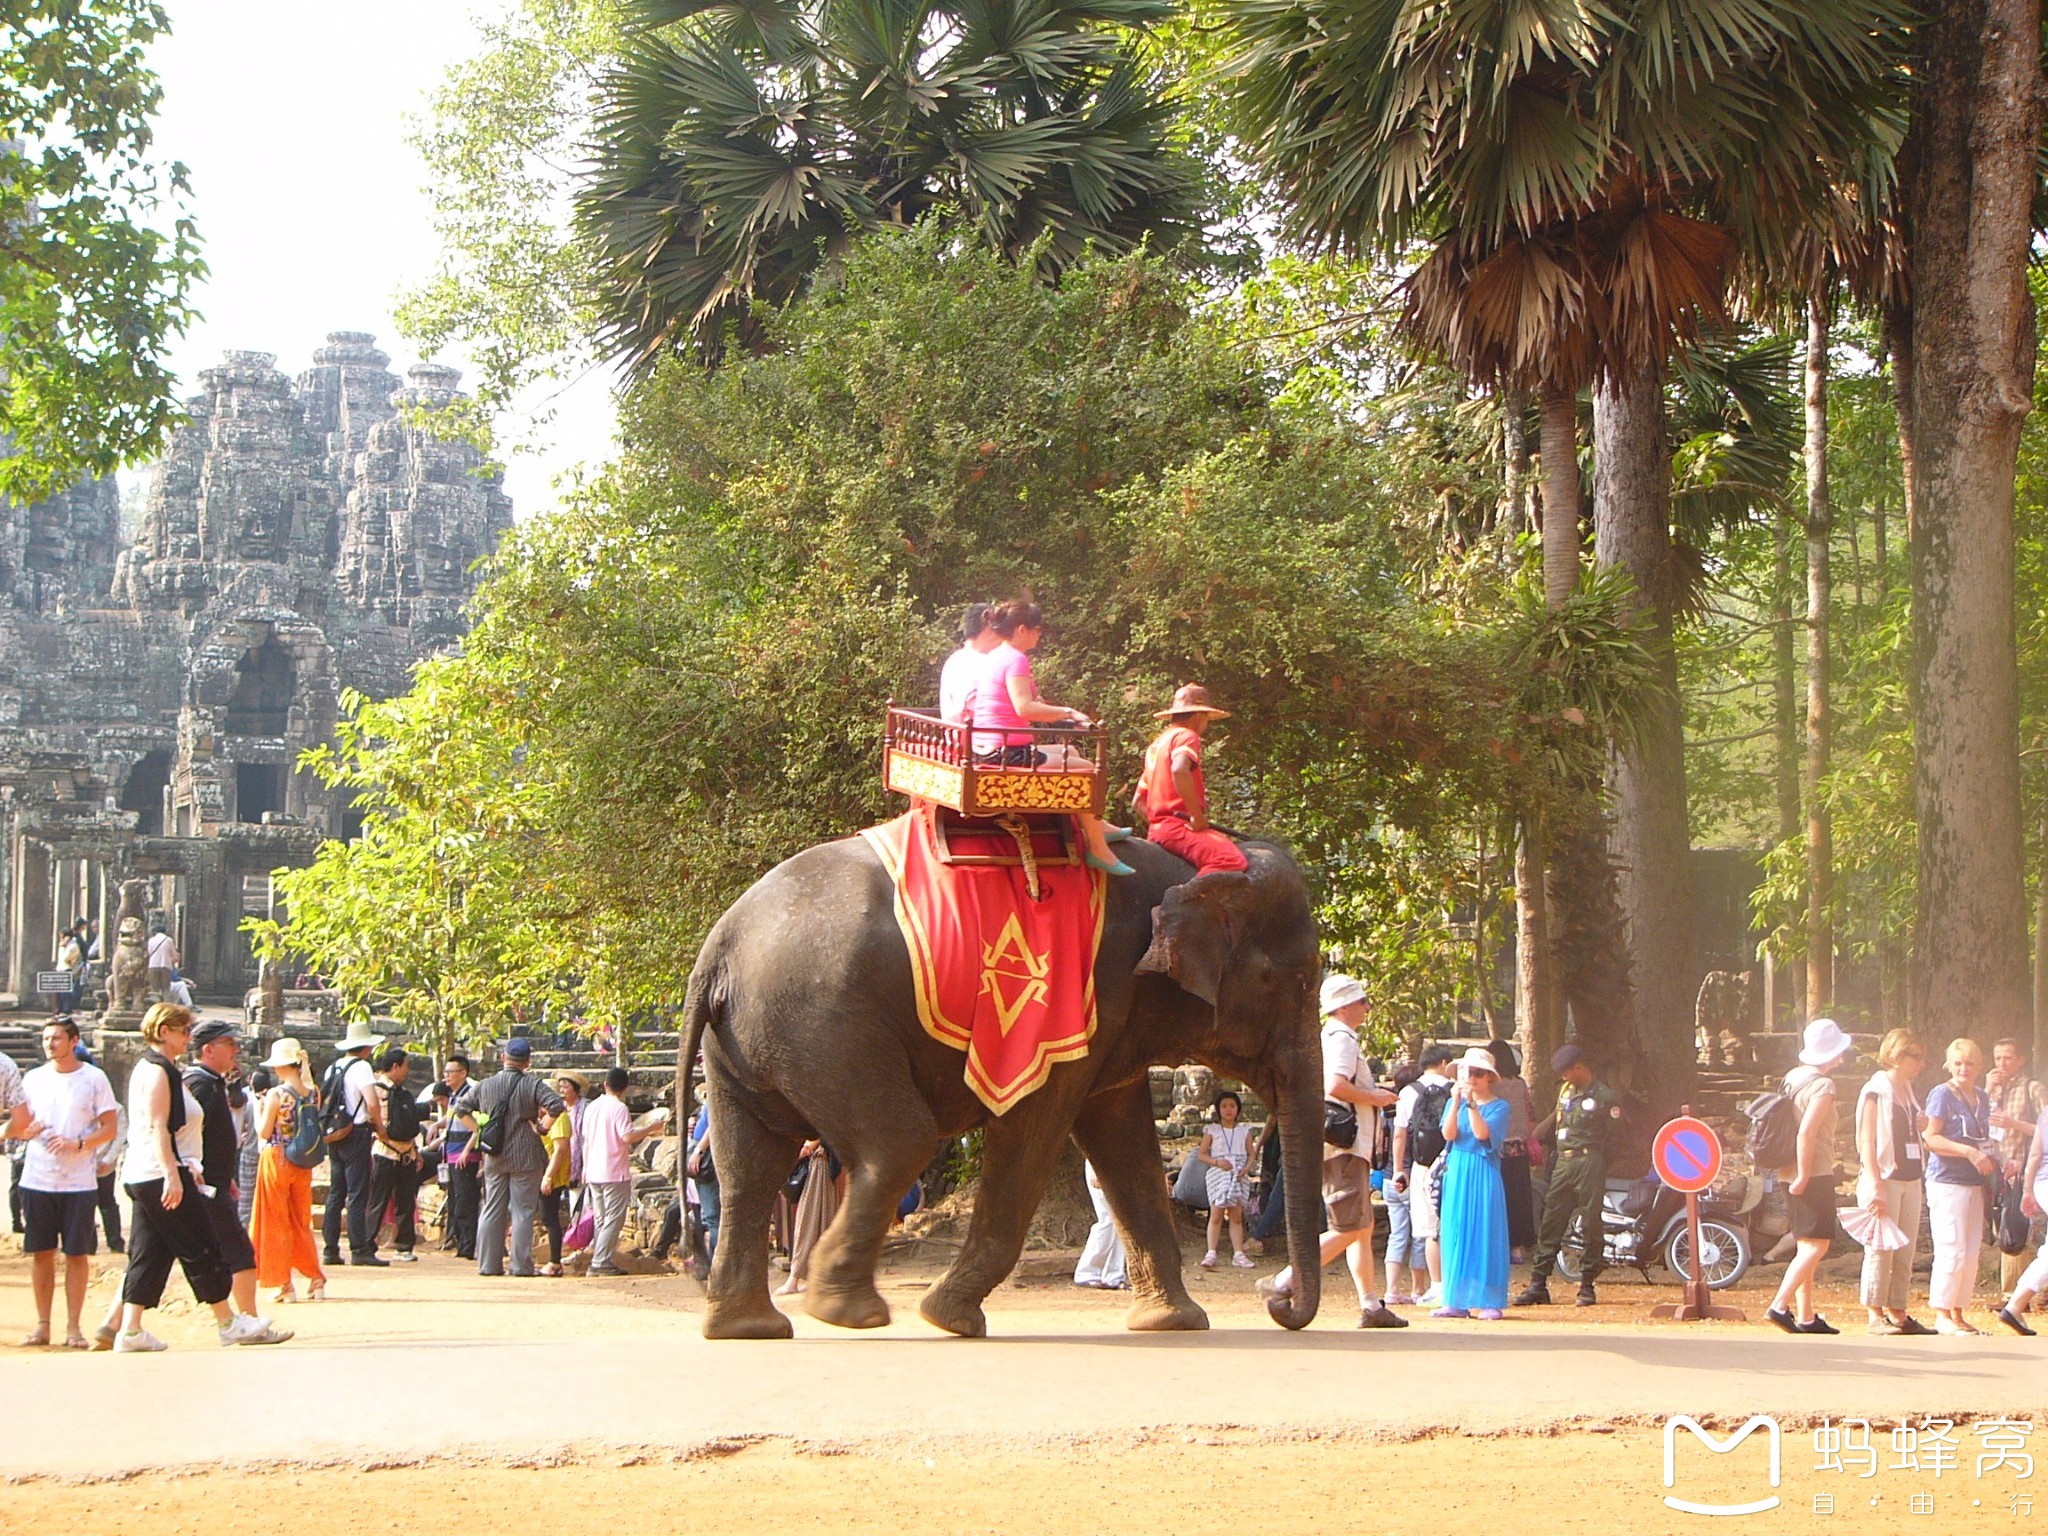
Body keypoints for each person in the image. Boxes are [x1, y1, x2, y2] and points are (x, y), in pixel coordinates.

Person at [108, 1003, 282, 1351]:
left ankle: (129, 1329)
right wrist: (174, 1175)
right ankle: (227, 1321)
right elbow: (160, 1127)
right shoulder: (160, 1072)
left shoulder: (159, 1068)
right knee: (202, 1246)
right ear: (164, 1032)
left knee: (150, 1252)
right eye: (183, 1031)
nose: (188, 1038)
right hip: (161, 1172)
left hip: (147, 1172)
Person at [1258, 974, 1406, 1328]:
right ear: (1343, 1006)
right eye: (1361, 1001)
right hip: (1347, 1145)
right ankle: (1283, 1281)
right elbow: (1335, 1085)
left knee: (1361, 1226)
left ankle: (1371, 1305)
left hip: (1341, 1144)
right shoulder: (1341, 1038)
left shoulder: (1329, 1037)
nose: (1366, 1006)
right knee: (1349, 1228)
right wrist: (1375, 1097)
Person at [968, 600, 1131, 875]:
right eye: (1037, 629)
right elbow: (1024, 708)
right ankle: (1098, 849)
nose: (1039, 635)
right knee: (1089, 771)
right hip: (1008, 752)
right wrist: (1067, 711)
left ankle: (1097, 826)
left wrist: (1059, 714)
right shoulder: (1016, 658)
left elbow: (1019, 703)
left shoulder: (996, 655)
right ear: (1022, 629)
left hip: (991, 746)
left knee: (1074, 755)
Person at [184, 1020, 292, 1344]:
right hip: (204, 1184)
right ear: (208, 1049)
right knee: (239, 1252)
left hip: (214, 1180)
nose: (236, 1051)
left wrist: (225, 1174)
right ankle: (249, 1322)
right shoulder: (200, 1085)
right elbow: (189, 1135)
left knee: (155, 1254)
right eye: (230, 1044)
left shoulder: (210, 1082)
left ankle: (118, 1320)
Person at [17, 1016, 119, 1348]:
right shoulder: (32, 1079)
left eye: (57, 1038)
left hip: (78, 1181)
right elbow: (21, 1123)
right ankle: (42, 1325)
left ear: (74, 1040)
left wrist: (79, 1144)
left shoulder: (93, 1079)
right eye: (46, 1038)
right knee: (41, 1253)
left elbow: (110, 1127)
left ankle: (74, 1327)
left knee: (76, 1254)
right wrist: (25, 1131)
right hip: (37, 1177)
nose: (50, 1044)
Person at [1762, 1017, 1855, 1335]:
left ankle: (1806, 1314)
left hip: (1787, 1169)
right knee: (1818, 1245)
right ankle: (1779, 1304)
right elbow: (1807, 1133)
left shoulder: (1793, 1077)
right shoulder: (1823, 1085)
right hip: (1812, 1171)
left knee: (1806, 1245)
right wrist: (1804, 1174)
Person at [1514, 1043, 1622, 1308]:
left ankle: (1587, 1284)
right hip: (1563, 1161)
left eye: (1566, 1072)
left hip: (1589, 1160)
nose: (1564, 1077)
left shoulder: (1605, 1096)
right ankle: (1538, 1283)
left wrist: (1598, 1161)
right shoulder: (1565, 1092)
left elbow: (1616, 1138)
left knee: (1590, 1222)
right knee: (1551, 1220)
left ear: (1579, 1067)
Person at [1855, 1028, 1931, 1336]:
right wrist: (1875, 1183)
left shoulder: (1909, 1091)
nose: (1920, 1064)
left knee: (1905, 1248)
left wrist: (1922, 1125)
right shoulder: (1875, 1090)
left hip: (1911, 1178)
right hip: (1886, 1178)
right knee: (1880, 1248)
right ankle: (1874, 1312)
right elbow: (1867, 1140)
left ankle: (1898, 1309)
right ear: (1898, 1057)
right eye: (1916, 1057)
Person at [1922, 1035, 1998, 1335]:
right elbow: (1932, 1137)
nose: (1963, 1068)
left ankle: (1958, 1311)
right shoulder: (1941, 1094)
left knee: (1969, 1251)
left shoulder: (1982, 1096)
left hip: (1974, 1181)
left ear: (1979, 1065)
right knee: (1950, 1247)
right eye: (1957, 1063)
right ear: (1948, 1065)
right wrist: (1968, 1151)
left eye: (1969, 1063)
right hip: (1947, 1180)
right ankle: (1941, 1312)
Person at [1135, 685, 1249, 877]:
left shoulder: (1157, 745)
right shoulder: (1186, 736)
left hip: (1157, 830)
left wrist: (1159, 826)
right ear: (1198, 716)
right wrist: (1196, 816)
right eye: (1206, 718)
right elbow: (1179, 770)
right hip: (1178, 827)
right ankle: (1179, 904)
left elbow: (1138, 801)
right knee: (1230, 859)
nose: (1206, 724)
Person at [475, 1037, 565, 1278]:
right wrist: (542, 1128)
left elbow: (463, 1108)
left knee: (492, 1208)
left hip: (494, 1154)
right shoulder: (532, 1085)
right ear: (527, 1062)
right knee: (522, 1211)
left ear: (503, 1058)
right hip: (525, 1155)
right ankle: (520, 1266)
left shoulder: (486, 1085)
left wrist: (479, 1129)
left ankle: (488, 1264)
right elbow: (556, 1105)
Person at [1435, 1047, 1512, 1319]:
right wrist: (1455, 1103)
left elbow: (1483, 1135)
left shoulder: (1500, 1106)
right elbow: (1448, 1133)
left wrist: (1471, 1105)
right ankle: (1455, 1298)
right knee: (1456, 1230)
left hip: (1483, 1170)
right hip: (1458, 1168)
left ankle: (1490, 1299)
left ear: (1489, 1077)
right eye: (1469, 1073)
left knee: (1484, 1230)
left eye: (1479, 1073)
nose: (1473, 1078)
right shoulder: (1451, 1102)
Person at [250, 1038, 326, 1304]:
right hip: (302, 1163)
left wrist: (259, 1109)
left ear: (282, 1065)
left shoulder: (276, 1094)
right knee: (299, 1220)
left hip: (277, 1157)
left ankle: (283, 1283)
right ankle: (315, 1278)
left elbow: (263, 1131)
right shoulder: (312, 1092)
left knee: (275, 1221)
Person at [321, 1019, 387, 1268]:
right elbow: (372, 1102)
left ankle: (330, 1248)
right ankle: (359, 1248)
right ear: (366, 1048)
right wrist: (379, 1125)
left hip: (336, 1131)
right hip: (356, 1131)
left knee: (336, 1192)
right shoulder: (362, 1068)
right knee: (358, 1193)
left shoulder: (333, 1067)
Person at [1395, 1044, 1459, 1307]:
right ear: (1444, 1062)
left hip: (1423, 1166)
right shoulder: (1456, 1088)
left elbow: (1400, 1133)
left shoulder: (1409, 1092)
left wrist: (1400, 1168)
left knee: (1430, 1229)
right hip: (1454, 1161)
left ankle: (1437, 1286)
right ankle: (1457, 1282)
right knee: (1454, 1224)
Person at [581, 1066, 658, 1276]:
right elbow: (627, 1137)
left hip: (594, 1169)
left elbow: (586, 1140)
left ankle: (601, 1257)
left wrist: (585, 1167)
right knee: (613, 1219)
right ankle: (600, 1261)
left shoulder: (592, 1107)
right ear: (625, 1088)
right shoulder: (619, 1108)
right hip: (613, 1171)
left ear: (606, 1085)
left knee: (601, 1218)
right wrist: (651, 1128)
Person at [1987, 1037, 2048, 1303]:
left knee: (2024, 1229)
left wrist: (2015, 1124)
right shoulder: (1993, 1090)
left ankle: (2025, 1294)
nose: (2002, 1064)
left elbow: (2043, 1131)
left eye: (2008, 1058)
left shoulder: (2033, 1089)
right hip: (1998, 1170)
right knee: (2004, 1228)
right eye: (1998, 1058)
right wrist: (1988, 1090)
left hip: (2026, 1170)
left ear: (2020, 1060)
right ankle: (2010, 1292)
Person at [1996, 1097, 2048, 1335]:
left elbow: (2035, 1154)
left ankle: (2014, 1306)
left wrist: (2028, 1190)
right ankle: (2015, 1305)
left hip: (2042, 1182)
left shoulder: (2045, 1113)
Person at [367, 1048, 424, 1263]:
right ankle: (367, 1243)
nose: (408, 1071)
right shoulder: (376, 1091)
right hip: (385, 1153)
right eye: (406, 1066)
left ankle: (404, 1245)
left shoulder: (403, 1093)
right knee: (378, 1200)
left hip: (406, 1153)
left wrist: (415, 1151)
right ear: (395, 1067)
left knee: (405, 1201)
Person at [1379, 1062, 1425, 1304]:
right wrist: (1402, 1171)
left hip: (1388, 1178)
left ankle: (1392, 1289)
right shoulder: (1414, 1113)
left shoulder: (1387, 1113)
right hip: (1407, 1177)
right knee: (1419, 1234)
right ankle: (1418, 1289)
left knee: (1396, 1234)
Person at [1486, 1038, 1537, 1258]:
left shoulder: (1491, 1086)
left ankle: (1499, 1245)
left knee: (1498, 1198)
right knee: (1519, 1198)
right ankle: (1519, 1245)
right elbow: (1530, 1113)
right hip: (1519, 1149)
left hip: (1497, 1150)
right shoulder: (1520, 1084)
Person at [1197, 1090, 1256, 1269]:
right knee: (1216, 1214)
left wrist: (1246, 1168)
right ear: (1218, 1110)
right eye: (1224, 1106)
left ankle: (1238, 1253)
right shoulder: (1212, 1131)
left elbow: (1251, 1153)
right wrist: (1217, 1162)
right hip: (1219, 1173)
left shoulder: (1244, 1131)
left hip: (1238, 1173)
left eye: (1232, 1106)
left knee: (1236, 1215)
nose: (1228, 1110)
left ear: (1237, 1109)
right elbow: (1201, 1154)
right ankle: (1211, 1252)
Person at [779, 1140, 843, 1295]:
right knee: (822, 1221)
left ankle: (794, 1279)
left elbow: (812, 1141)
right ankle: (818, 1277)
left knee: (807, 1223)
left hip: (819, 1167)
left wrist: (798, 1153)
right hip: (824, 1168)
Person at [539, 1071, 584, 1277]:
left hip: (553, 1175)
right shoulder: (548, 1117)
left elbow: (560, 1149)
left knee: (550, 1219)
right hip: (546, 1172)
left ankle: (555, 1261)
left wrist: (548, 1176)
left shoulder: (560, 1117)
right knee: (546, 1217)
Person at [439, 1055, 482, 1259]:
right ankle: (460, 1242)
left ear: (463, 1073)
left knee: (466, 1201)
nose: (446, 1076)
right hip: (451, 1152)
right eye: (446, 1072)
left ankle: (468, 1246)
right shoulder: (454, 1095)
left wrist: (468, 1150)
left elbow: (477, 1127)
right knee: (456, 1200)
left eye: (451, 1072)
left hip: (465, 1155)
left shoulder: (470, 1094)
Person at [938, 601, 998, 723]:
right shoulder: (981, 662)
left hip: (957, 735)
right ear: (989, 629)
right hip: (975, 738)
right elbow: (978, 707)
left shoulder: (956, 658)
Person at [1074, 1159, 1129, 1289]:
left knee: (1122, 1222)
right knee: (1108, 1220)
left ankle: (1114, 1276)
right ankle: (1086, 1272)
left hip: (1122, 1165)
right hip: (1103, 1165)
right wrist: (1096, 1170)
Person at [93, 1099, 126, 1254]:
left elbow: (120, 1137)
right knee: (84, 1204)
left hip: (105, 1164)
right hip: (80, 1163)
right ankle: (87, 1245)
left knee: (106, 1202)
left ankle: (115, 1242)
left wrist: (108, 1159)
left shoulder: (117, 1108)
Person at [145, 921, 176, 1000]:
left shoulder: (151, 940)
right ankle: (167, 1006)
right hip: (166, 965)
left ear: (155, 932)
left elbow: (149, 953)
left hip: (153, 965)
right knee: (166, 988)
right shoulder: (169, 940)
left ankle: (156, 1006)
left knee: (155, 988)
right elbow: (173, 954)